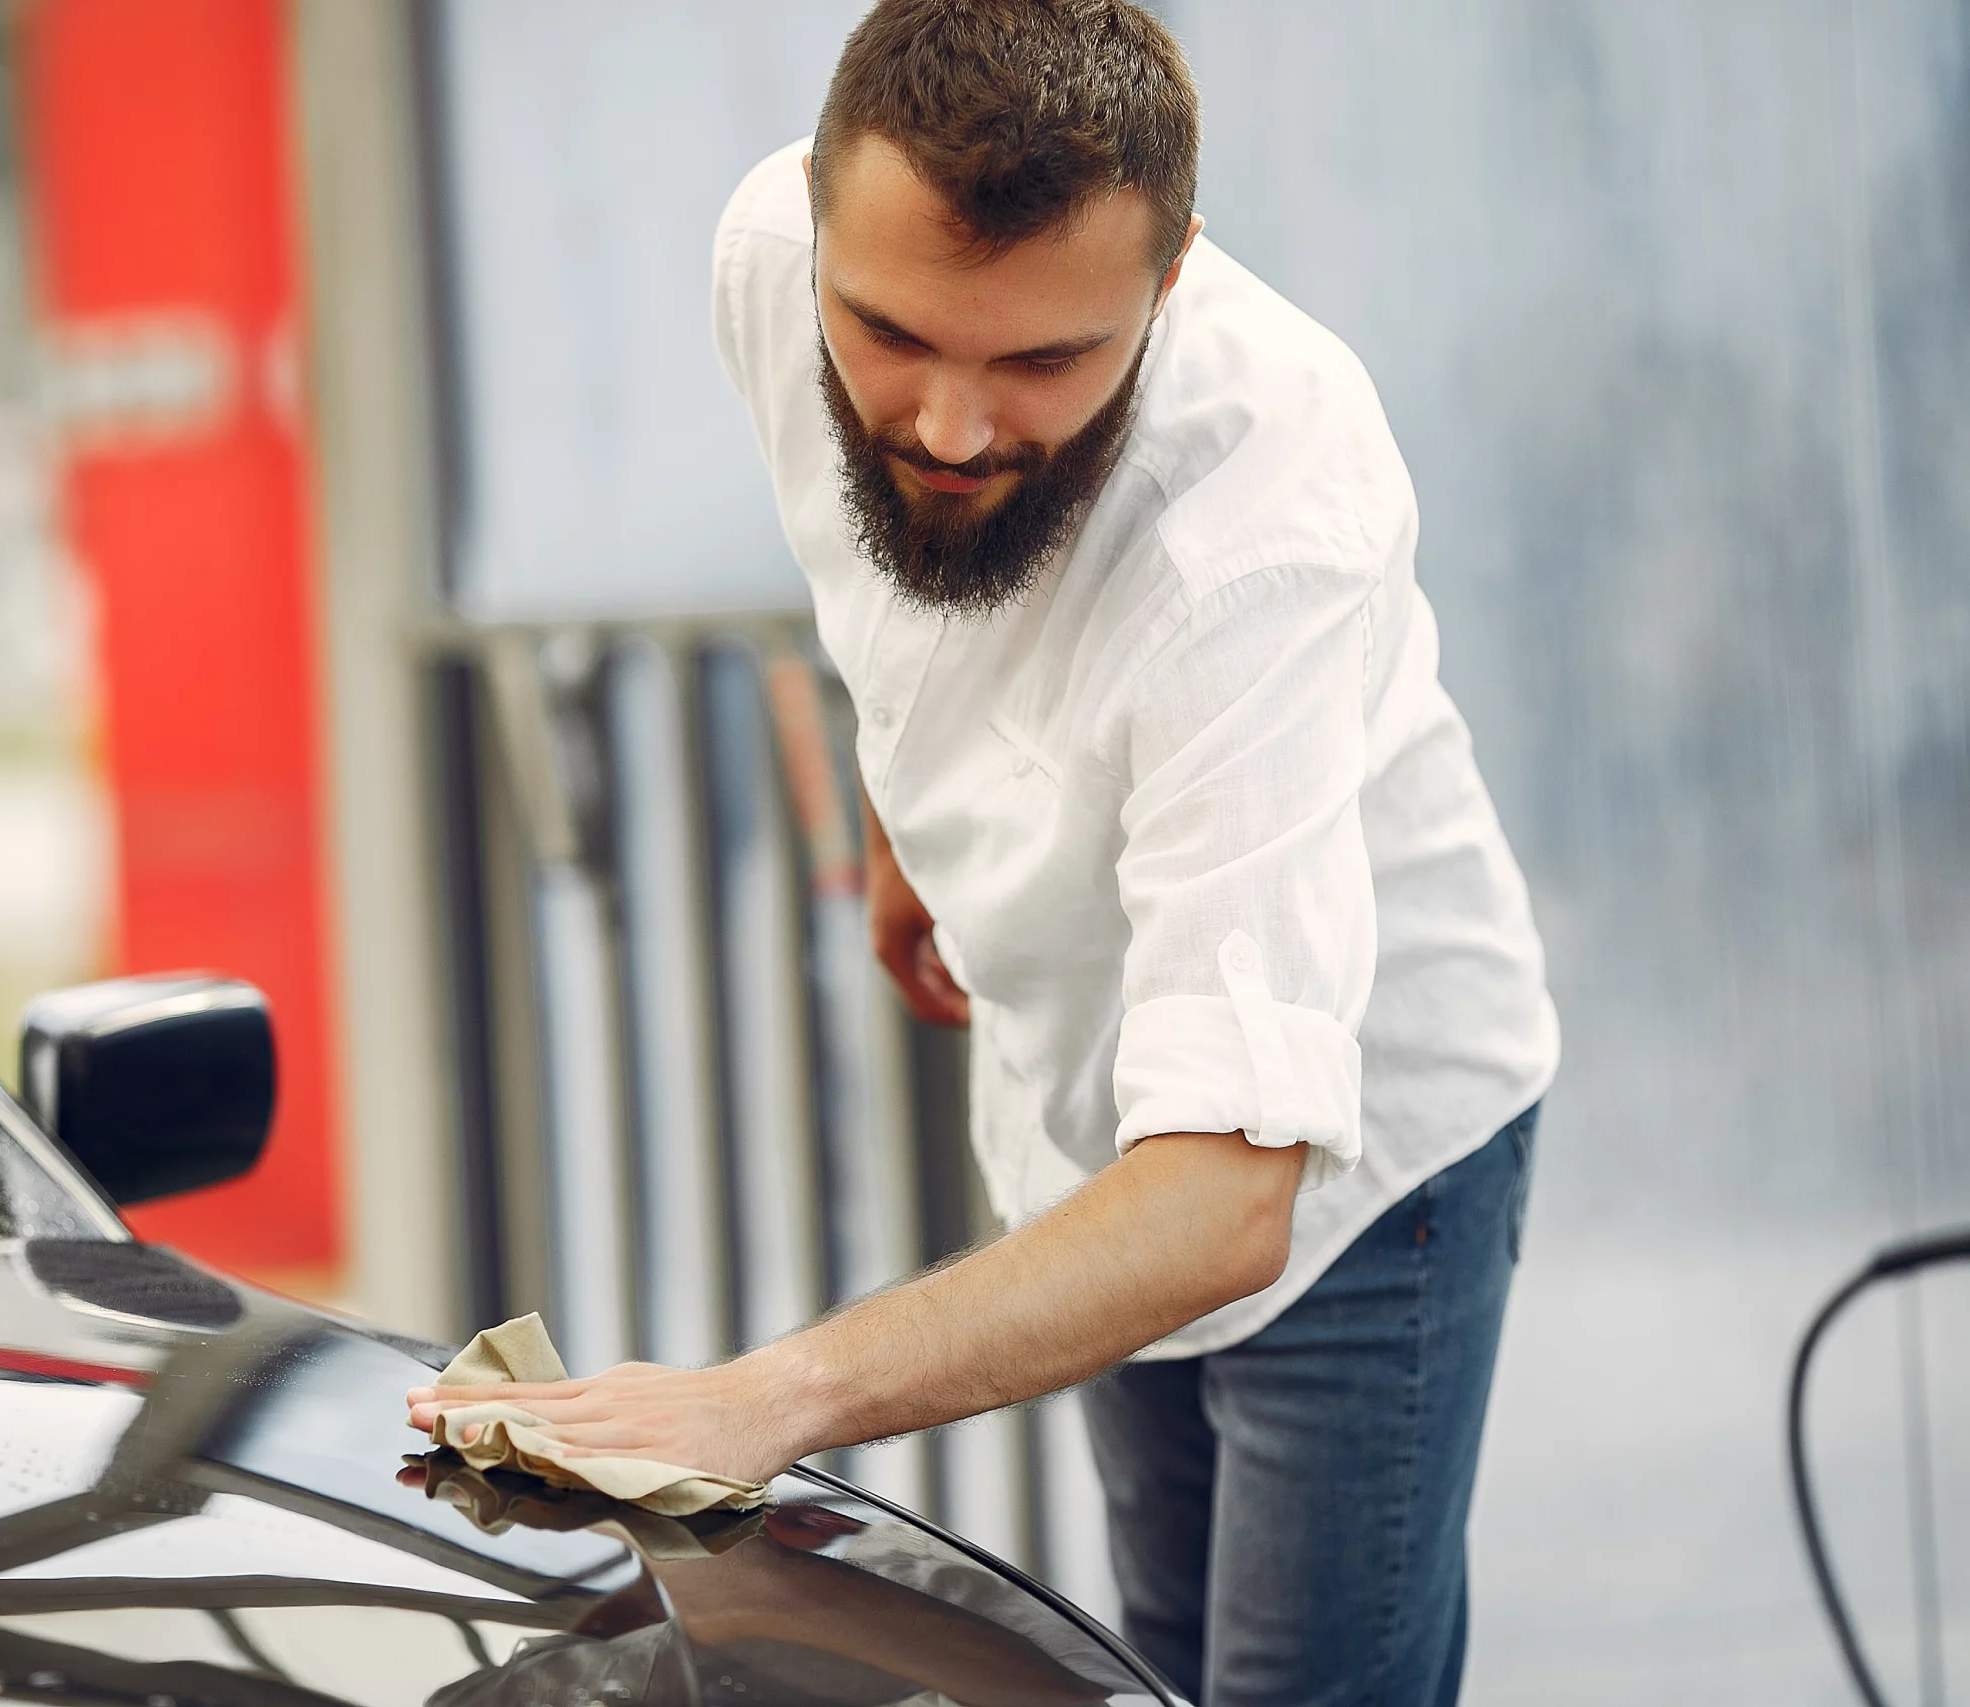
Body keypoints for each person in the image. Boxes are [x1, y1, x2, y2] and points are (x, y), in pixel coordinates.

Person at [411, 3, 1559, 1700]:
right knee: (1150, 1666)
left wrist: (761, 1399)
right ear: (815, 224)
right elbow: (870, 561)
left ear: (1166, 291)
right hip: (1097, 1109)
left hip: (1349, 1154)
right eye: (889, 332)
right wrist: (906, 817)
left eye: (1044, 365)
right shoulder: (763, 259)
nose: (951, 426)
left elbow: (1227, 1197)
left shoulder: (1265, 517)